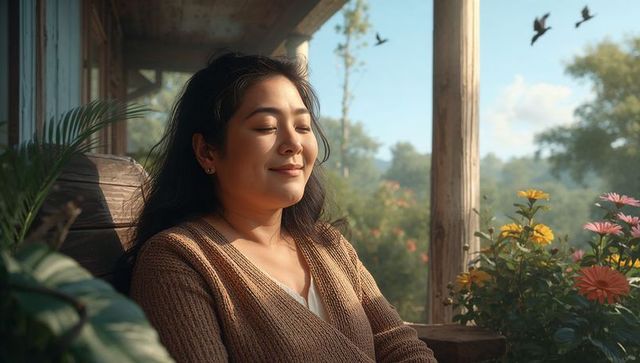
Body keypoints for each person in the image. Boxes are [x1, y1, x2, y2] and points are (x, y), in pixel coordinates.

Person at [129, 52, 437, 362]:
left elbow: (399, 344)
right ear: (207, 151)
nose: (294, 143)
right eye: (265, 127)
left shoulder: (328, 244)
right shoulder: (177, 260)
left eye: (303, 127)